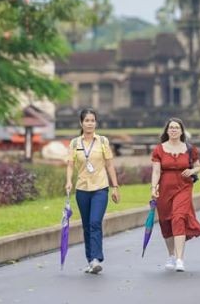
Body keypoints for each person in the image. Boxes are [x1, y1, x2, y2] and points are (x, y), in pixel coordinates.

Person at [65, 108, 120, 274]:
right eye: (87, 120)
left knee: (95, 222)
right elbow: (70, 165)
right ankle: (90, 260)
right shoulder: (75, 143)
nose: (90, 123)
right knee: (87, 225)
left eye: (92, 120)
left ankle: (96, 258)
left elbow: (110, 164)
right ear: (81, 123)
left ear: (96, 123)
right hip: (82, 188)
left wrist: (115, 187)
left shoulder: (103, 141)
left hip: (100, 188)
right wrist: (68, 181)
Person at [150, 118, 200, 272]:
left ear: (182, 131)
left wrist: (192, 171)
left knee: (178, 218)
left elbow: (198, 167)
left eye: (176, 128)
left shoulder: (189, 149)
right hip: (165, 188)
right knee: (165, 221)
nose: (173, 130)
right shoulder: (159, 149)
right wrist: (153, 188)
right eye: (171, 128)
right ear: (167, 131)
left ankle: (180, 259)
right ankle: (171, 256)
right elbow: (156, 171)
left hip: (183, 187)